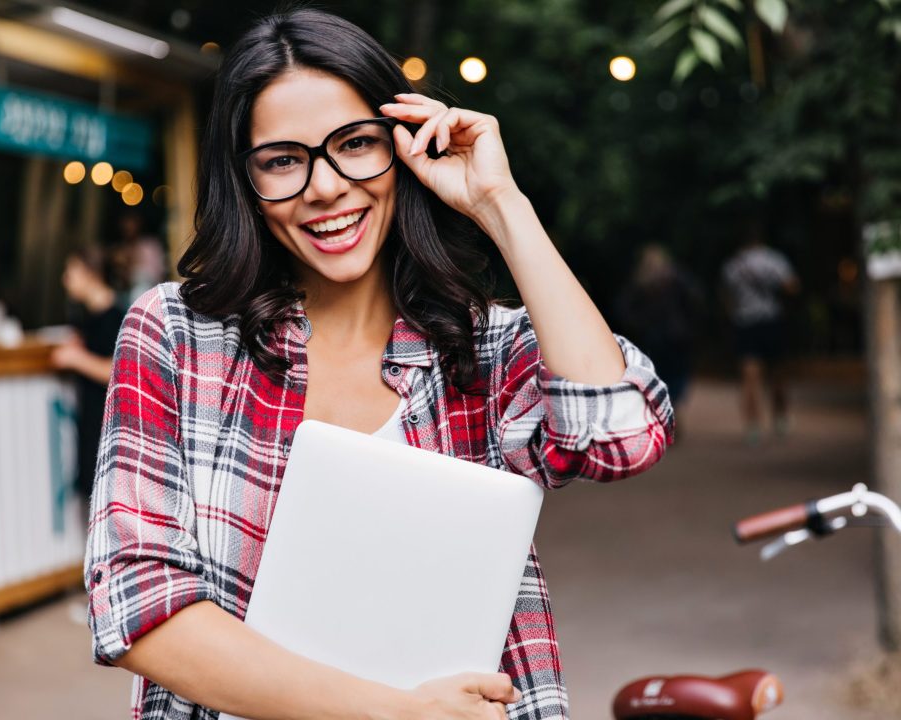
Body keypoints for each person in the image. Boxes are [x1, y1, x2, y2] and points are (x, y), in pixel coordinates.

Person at [84, 10, 674, 720]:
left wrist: (500, 202)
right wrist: (389, 711)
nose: (325, 186)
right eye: (282, 159)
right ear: (244, 180)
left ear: (401, 148)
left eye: (356, 143)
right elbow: (136, 603)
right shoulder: (179, 334)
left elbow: (620, 435)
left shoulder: (484, 347)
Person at [50, 247, 124, 503]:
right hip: (93, 418)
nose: (65, 279)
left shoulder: (117, 317)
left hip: (112, 423)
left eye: (70, 271)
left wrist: (76, 359)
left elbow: (117, 370)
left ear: (88, 272)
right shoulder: (89, 318)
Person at [721, 228, 799, 444]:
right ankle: (780, 416)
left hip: (744, 322)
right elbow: (792, 286)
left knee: (750, 376)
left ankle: (753, 425)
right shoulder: (774, 260)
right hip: (771, 320)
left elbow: (727, 298)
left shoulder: (732, 266)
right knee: (778, 373)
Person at [614, 244, 701, 417]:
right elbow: (695, 300)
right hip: (673, 337)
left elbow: (623, 310)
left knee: (658, 375)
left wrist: (636, 325)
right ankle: (672, 406)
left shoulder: (641, 282)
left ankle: (664, 408)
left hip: (655, 338)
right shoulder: (677, 278)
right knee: (676, 375)